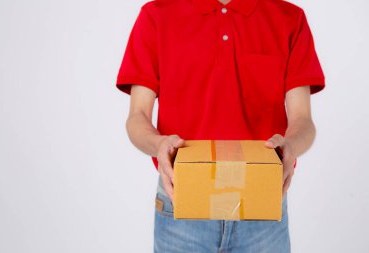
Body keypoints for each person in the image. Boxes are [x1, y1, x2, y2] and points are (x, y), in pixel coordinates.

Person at [115, 0, 325, 252]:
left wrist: (290, 145)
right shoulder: (156, 15)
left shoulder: (289, 18)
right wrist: (158, 144)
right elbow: (137, 116)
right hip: (182, 202)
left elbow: (303, 120)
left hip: (262, 204)